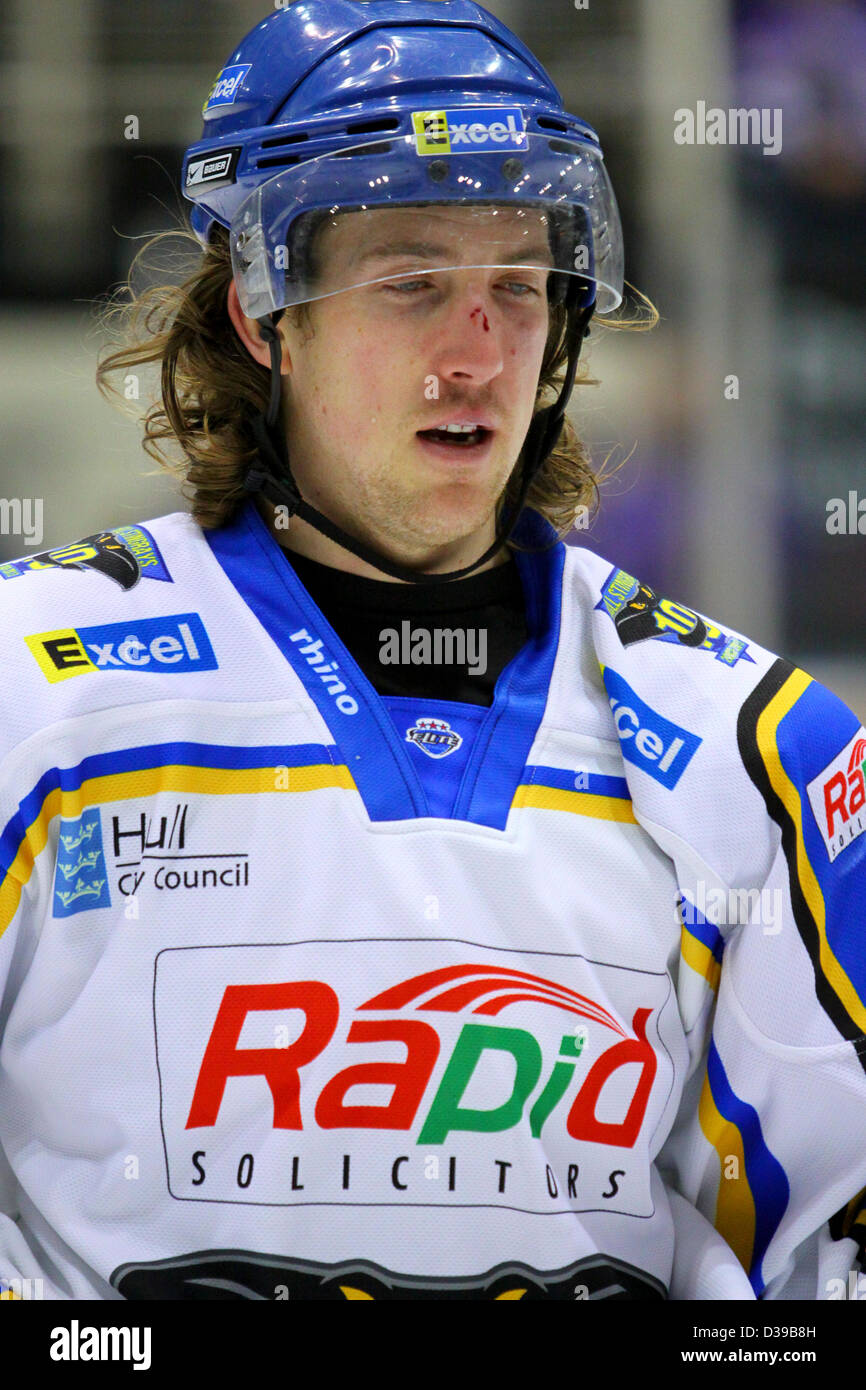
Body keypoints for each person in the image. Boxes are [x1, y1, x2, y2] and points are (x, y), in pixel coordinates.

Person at [0, 0, 864, 1303]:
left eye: (516, 286)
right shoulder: (32, 690)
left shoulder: (760, 752)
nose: (476, 355)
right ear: (259, 310)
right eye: (409, 284)